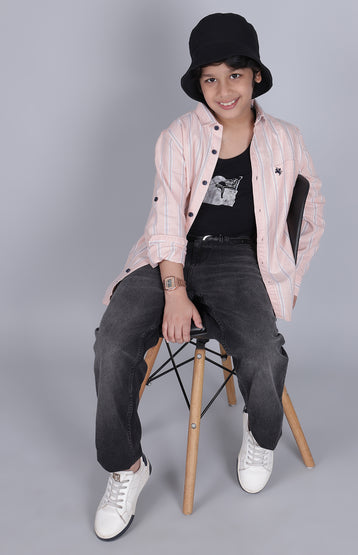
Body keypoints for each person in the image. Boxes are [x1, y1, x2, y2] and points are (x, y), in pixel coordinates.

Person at [93, 12, 325, 541]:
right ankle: (126, 468)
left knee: (263, 351)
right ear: (198, 84)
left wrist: (283, 277)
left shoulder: (286, 140)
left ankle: (260, 434)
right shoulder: (179, 136)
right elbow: (166, 220)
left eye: (235, 75)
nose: (224, 90)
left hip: (238, 259)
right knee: (112, 343)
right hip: (168, 255)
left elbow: (312, 212)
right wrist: (174, 291)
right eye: (210, 78)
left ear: (256, 76)